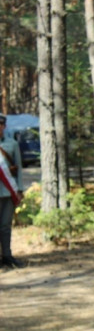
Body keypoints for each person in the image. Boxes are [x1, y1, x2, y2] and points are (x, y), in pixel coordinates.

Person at [0, 113, 26, 269]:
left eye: (1, 125)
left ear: (4, 126)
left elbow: (19, 168)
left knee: (5, 225)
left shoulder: (12, 144)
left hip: (8, 191)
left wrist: (20, 189)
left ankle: (7, 256)